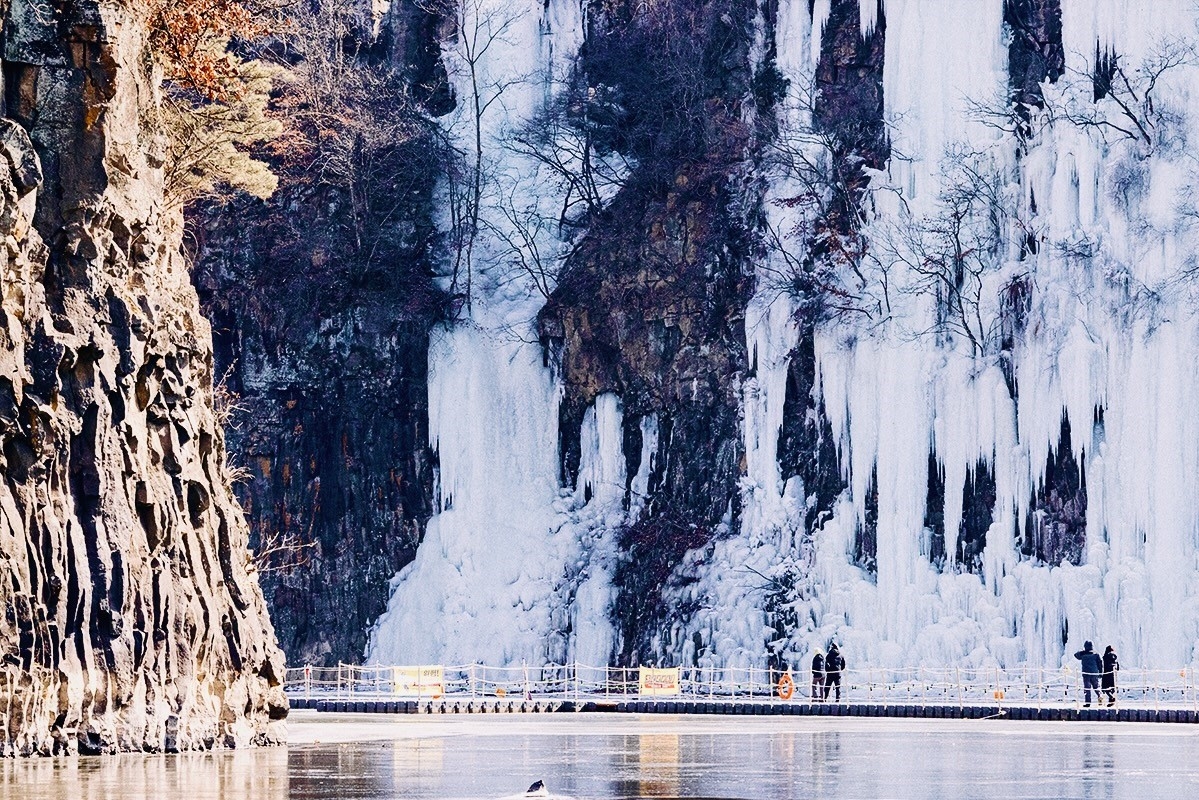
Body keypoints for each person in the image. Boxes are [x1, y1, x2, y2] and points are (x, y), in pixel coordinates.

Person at [1074, 640, 1103, 707]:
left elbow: (1076, 655)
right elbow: (1100, 664)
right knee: (1096, 686)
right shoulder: (1096, 654)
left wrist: (1082, 651)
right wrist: (1101, 672)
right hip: (1094, 673)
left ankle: (1088, 703)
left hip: (1086, 674)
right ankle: (1100, 695)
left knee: (1087, 688)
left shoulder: (1083, 654)